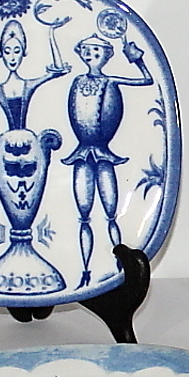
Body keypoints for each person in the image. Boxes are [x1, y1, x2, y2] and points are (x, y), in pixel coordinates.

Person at [62, 37, 153, 280]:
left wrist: (136, 58)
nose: (90, 54)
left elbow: (147, 80)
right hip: (82, 152)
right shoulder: (77, 81)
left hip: (103, 153)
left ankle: (117, 269)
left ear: (107, 55)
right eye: (86, 49)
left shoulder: (110, 81)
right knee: (84, 214)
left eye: (96, 50)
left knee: (111, 212)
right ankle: (85, 271)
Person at [0, 19, 68, 130]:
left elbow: (58, 70)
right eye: (7, 52)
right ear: (1, 54)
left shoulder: (29, 85)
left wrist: (51, 34)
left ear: (24, 53)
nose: (12, 58)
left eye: (17, 51)